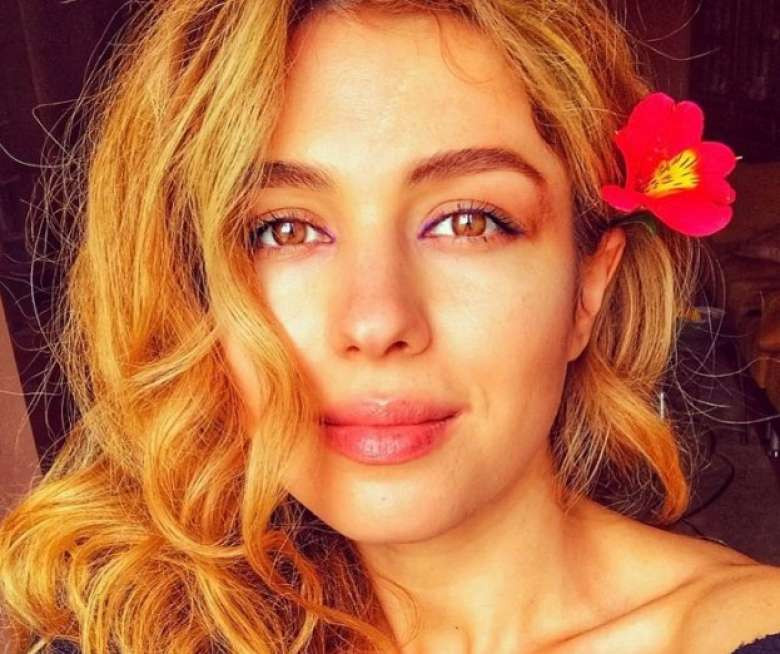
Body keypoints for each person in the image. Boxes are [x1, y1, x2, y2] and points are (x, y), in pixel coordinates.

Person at [1, 1, 779, 653]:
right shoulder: (141, 629)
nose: (376, 322)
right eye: (281, 230)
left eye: (469, 221)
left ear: (587, 291)